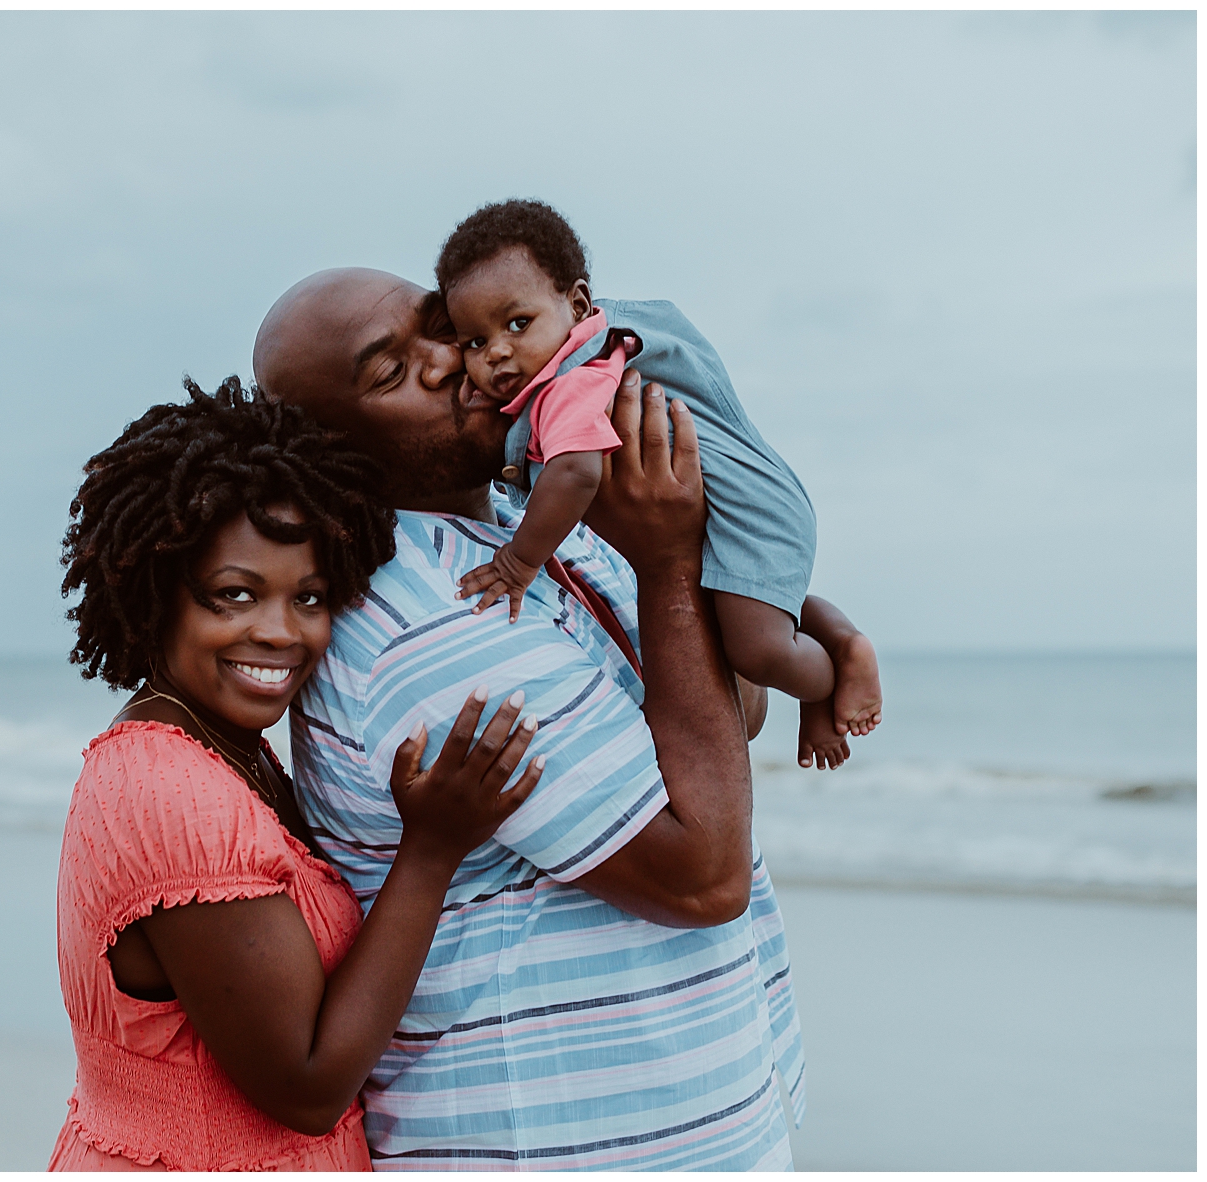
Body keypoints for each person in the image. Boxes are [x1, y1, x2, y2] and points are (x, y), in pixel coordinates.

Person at [254, 269, 808, 1169]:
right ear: (333, 453)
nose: (450, 363)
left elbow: (729, 716)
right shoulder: (425, 615)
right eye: (390, 373)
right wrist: (669, 562)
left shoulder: (534, 522)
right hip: (561, 1143)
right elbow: (702, 877)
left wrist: (670, 551)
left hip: (685, 1120)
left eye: (439, 327)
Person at [50, 377, 549, 1171]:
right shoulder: (167, 792)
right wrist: (431, 850)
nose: (280, 633)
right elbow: (308, 1086)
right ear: (154, 597)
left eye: (310, 597)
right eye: (234, 595)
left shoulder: (225, 751)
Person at [439, 199, 881, 770]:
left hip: (750, 511)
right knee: (743, 614)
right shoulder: (591, 347)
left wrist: (517, 563)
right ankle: (825, 645)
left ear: (576, 304)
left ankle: (834, 666)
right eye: (474, 343)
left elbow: (576, 470)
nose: (498, 350)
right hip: (753, 496)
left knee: (756, 648)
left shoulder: (574, 380)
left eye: (518, 324)